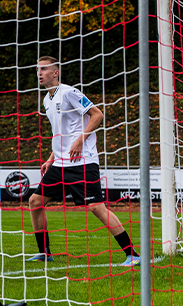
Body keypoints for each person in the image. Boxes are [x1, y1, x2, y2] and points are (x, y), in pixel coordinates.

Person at [27, 56, 141, 265]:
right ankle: (45, 253)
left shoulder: (69, 92)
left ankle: (132, 254)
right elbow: (61, 132)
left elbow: (97, 114)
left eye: (44, 69)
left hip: (82, 162)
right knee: (35, 201)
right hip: (61, 163)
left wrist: (81, 140)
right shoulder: (46, 99)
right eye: (37, 69)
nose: (39, 73)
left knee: (96, 207)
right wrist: (52, 158)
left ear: (55, 72)